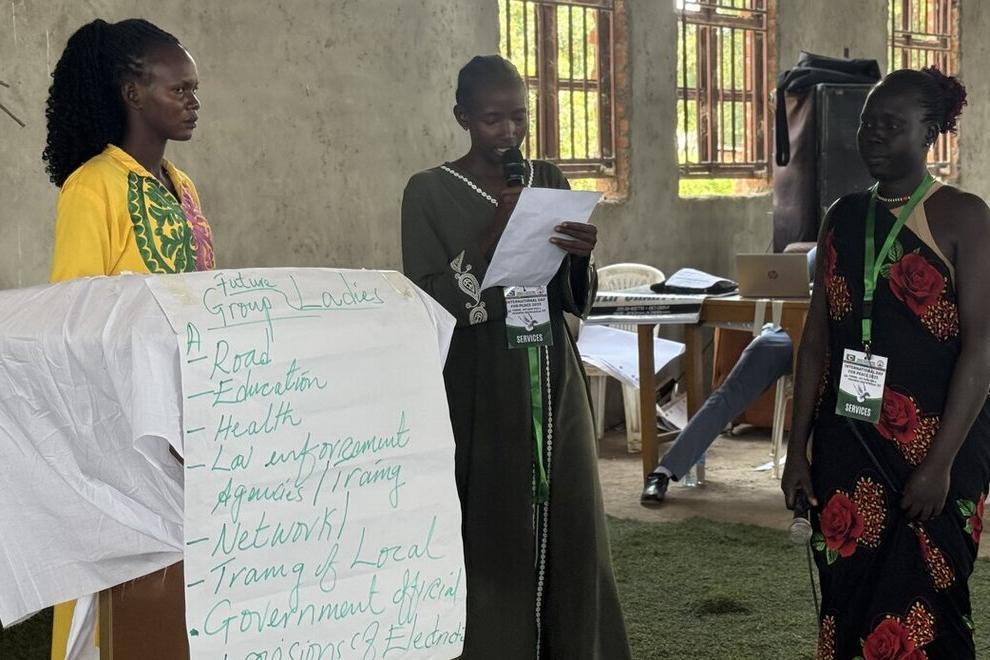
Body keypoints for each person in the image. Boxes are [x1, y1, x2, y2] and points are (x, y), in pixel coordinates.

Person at [401, 55, 631, 659]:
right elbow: (428, 302)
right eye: (492, 118)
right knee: (494, 523)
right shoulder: (428, 191)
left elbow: (576, 299)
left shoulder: (547, 179)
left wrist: (581, 255)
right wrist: (493, 232)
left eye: (519, 117)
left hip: (554, 371)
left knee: (571, 518)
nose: (508, 132)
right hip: (481, 380)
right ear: (462, 117)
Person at [782, 67, 990, 659]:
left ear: (930, 134)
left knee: (929, 600)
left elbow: (982, 348)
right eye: (867, 122)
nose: (873, 134)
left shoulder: (964, 216)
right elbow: (816, 341)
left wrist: (939, 465)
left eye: (892, 125)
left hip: (939, 443)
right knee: (849, 590)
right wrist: (797, 450)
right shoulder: (842, 216)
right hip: (849, 438)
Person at [42, 18, 213, 660]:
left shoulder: (182, 187)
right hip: (120, 427)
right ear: (133, 93)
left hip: (186, 416)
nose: (193, 102)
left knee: (176, 596)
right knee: (111, 600)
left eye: (195, 90)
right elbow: (71, 324)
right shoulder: (93, 187)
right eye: (180, 89)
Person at [642, 250, 815, 503]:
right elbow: (786, 278)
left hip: (830, 342)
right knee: (729, 393)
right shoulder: (829, 241)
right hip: (784, 334)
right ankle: (663, 472)